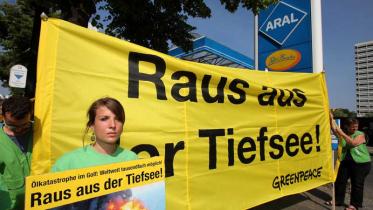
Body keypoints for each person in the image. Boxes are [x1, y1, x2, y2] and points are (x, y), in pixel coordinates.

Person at [51, 97, 138, 209]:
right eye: (104, 119)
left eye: (118, 119)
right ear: (91, 125)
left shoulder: (132, 159)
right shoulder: (66, 163)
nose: (112, 125)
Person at [329, 115, 371, 210]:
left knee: (357, 184)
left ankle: (354, 205)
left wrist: (341, 133)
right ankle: (338, 200)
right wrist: (331, 118)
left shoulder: (360, 134)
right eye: (353, 126)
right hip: (346, 161)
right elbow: (334, 129)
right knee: (340, 181)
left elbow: (353, 143)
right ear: (347, 126)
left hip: (361, 163)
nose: (355, 128)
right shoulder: (342, 133)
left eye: (356, 126)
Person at [0, 96, 33, 210]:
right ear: (2, 116)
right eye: (12, 125)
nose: (18, 130)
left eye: (24, 125)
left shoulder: (40, 132)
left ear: (30, 114)